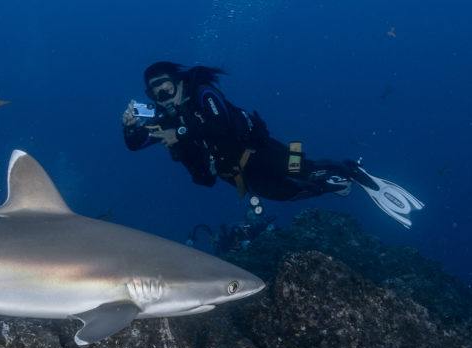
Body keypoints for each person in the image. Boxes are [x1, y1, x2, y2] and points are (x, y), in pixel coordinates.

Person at [122, 61, 423, 228]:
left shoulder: (204, 94)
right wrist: (129, 129)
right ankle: (335, 185)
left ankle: (350, 170)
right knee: (287, 195)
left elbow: (220, 124)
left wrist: (182, 133)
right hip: (238, 176)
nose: (165, 98)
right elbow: (137, 145)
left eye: (168, 89)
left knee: (306, 168)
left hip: (264, 150)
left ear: (180, 82)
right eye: (157, 95)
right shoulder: (164, 118)